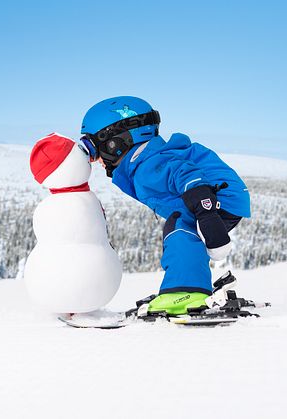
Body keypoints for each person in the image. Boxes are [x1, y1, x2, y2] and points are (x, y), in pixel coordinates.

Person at [80, 96, 251, 315]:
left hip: (215, 198)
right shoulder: (144, 160)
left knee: (179, 228)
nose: (95, 160)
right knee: (182, 229)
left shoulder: (148, 164)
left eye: (94, 149)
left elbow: (186, 174)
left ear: (115, 142)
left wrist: (205, 212)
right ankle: (191, 284)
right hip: (220, 197)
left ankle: (186, 291)